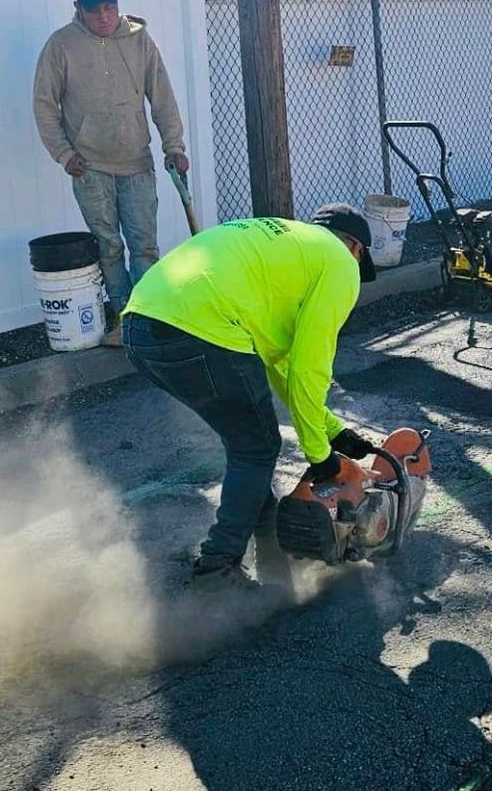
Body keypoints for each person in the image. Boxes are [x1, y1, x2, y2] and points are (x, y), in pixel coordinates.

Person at [122, 206, 380, 585]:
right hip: (200, 328)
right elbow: (309, 370)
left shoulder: (288, 249)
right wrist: (321, 458)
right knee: (255, 447)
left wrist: (331, 430)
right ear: (356, 247)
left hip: (139, 326)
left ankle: (271, 543)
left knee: (247, 438)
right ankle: (217, 570)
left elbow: (284, 369)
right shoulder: (339, 263)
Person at [33, 0, 189, 346]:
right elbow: (44, 105)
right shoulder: (61, 45)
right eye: (94, 9)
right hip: (89, 168)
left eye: (109, 6)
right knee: (109, 246)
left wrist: (174, 147)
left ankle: (152, 318)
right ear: (77, 8)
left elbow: (162, 97)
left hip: (136, 162)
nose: (103, 16)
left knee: (144, 245)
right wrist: (64, 154)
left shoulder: (139, 39)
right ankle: (123, 322)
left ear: (117, 2)